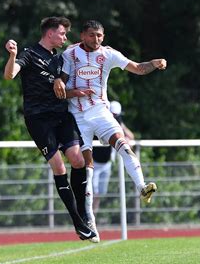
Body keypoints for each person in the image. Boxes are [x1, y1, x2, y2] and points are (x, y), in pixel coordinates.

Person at [54, 20, 167, 238]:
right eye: (91, 35)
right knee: (87, 167)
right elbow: (62, 88)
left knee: (124, 145)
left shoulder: (108, 54)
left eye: (99, 35)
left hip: (101, 112)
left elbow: (137, 68)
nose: (95, 39)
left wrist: (153, 63)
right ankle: (90, 219)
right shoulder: (70, 54)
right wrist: (68, 88)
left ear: (103, 37)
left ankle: (143, 187)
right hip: (77, 116)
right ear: (82, 35)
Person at [3, 16, 98, 242]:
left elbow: (61, 87)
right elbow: (9, 74)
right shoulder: (29, 54)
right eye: (62, 33)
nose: (65, 37)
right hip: (39, 119)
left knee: (78, 160)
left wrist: (75, 92)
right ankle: (78, 222)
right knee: (59, 167)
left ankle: (84, 213)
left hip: (61, 116)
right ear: (50, 34)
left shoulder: (60, 58)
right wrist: (13, 55)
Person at [92, 101, 134, 215]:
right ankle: (88, 217)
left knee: (100, 193)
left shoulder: (116, 122)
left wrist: (122, 128)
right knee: (92, 192)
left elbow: (131, 136)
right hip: (93, 163)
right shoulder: (99, 120)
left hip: (106, 164)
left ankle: (93, 217)